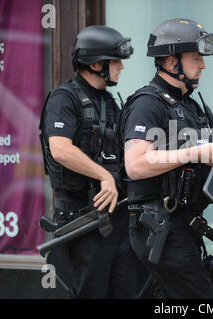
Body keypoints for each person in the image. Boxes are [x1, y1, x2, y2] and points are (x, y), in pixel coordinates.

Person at [119, 18, 213, 298]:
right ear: (170, 62)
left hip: (185, 226)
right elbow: (136, 163)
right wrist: (195, 152)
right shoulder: (147, 104)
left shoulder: (191, 106)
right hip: (160, 227)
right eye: (195, 58)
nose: (202, 65)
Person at [39, 25, 145, 298]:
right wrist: (104, 176)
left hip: (116, 218)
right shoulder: (65, 98)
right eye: (116, 61)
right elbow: (60, 149)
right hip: (83, 218)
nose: (121, 67)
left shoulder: (109, 101)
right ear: (97, 64)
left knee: (126, 291)